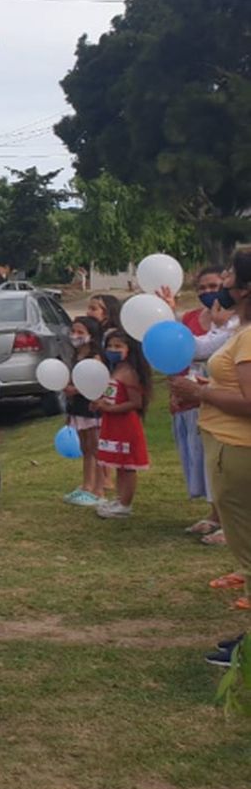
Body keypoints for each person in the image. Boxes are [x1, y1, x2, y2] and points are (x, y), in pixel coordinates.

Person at [170, 249, 251, 649]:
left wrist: (202, 392)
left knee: (248, 545)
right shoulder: (241, 330)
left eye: (231, 275)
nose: (224, 282)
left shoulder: (249, 336)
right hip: (230, 446)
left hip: (239, 449)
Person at [164, 267, 226, 542]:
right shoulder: (193, 319)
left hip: (219, 401)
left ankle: (231, 522)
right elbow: (180, 351)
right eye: (201, 287)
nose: (207, 292)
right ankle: (216, 514)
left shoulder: (234, 324)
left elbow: (203, 349)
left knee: (223, 463)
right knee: (204, 460)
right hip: (191, 400)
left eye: (213, 286)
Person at [94, 329, 151, 518]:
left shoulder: (130, 372)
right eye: (109, 346)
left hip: (126, 424)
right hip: (112, 423)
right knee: (118, 464)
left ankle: (126, 503)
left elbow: (135, 402)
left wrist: (111, 409)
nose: (112, 349)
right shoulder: (114, 369)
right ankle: (120, 498)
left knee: (127, 466)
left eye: (118, 346)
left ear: (129, 349)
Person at [62, 316, 106, 506]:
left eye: (81, 332)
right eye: (73, 331)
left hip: (91, 408)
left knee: (96, 448)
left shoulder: (95, 357)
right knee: (85, 448)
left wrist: (77, 389)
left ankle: (99, 489)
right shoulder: (75, 356)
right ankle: (86, 485)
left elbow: (99, 381)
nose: (75, 336)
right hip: (77, 408)